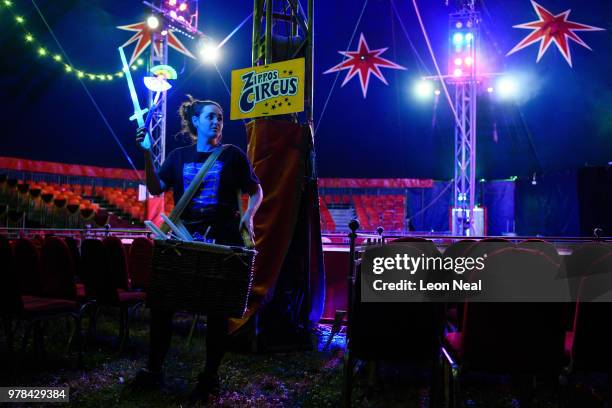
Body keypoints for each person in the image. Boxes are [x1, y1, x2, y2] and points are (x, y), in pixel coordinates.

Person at [129, 96, 263, 400]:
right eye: (210, 117)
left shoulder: (232, 155)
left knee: (218, 312)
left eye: (220, 118)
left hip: (222, 241)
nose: (217, 121)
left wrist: (249, 216)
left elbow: (257, 191)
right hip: (183, 240)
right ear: (196, 122)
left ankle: (209, 377)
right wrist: (147, 153)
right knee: (163, 306)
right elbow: (154, 188)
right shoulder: (178, 156)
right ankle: (153, 370)